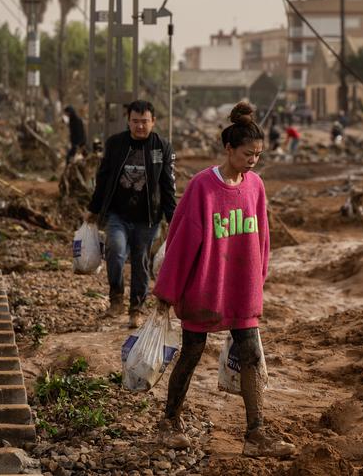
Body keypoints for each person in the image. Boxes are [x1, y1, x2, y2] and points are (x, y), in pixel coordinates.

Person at [153, 101, 296, 458]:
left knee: (251, 354)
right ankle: (169, 421)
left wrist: (258, 277)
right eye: (247, 153)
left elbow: (262, 235)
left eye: (258, 155)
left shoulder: (256, 186)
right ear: (228, 149)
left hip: (241, 288)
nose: (253, 160)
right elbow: (181, 241)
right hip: (204, 288)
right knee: (192, 352)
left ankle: (255, 433)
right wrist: (167, 292)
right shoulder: (202, 187)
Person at [87, 100, 176, 328]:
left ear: (153, 122)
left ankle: (136, 309)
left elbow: (167, 185)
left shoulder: (161, 147)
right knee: (115, 251)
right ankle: (116, 298)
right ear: (128, 121)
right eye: (135, 121)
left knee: (141, 262)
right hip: (118, 215)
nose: (139, 126)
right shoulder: (116, 144)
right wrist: (94, 210)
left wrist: (173, 218)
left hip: (148, 218)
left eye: (144, 121)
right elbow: (104, 178)